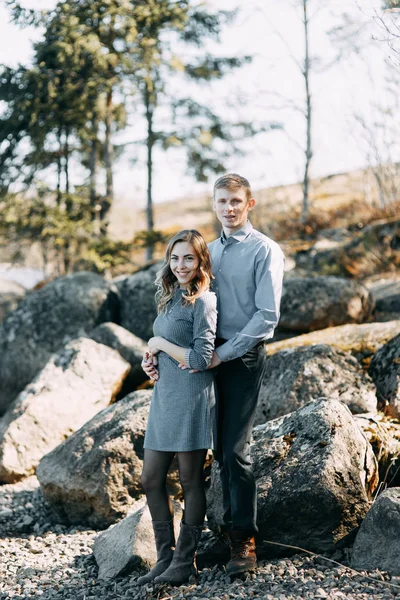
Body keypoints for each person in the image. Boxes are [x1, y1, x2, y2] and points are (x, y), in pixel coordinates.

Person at [142, 173, 285, 577]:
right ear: (214, 204)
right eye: (222, 201)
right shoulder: (205, 251)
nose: (229, 208)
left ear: (249, 203)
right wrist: (154, 353)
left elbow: (267, 317)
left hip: (238, 360)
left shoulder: (265, 251)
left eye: (236, 201)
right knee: (197, 457)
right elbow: (184, 311)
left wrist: (220, 355)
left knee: (232, 451)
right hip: (196, 364)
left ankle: (242, 541)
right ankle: (191, 547)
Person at [137, 229, 217, 587]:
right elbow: (166, 345)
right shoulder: (169, 297)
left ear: (200, 261)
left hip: (192, 397)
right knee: (150, 479)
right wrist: (150, 359)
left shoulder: (204, 301)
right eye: (175, 258)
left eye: (188, 258)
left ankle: (186, 562)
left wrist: (159, 343)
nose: (181, 265)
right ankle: (165, 557)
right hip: (165, 394)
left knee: (189, 481)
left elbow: (201, 357)